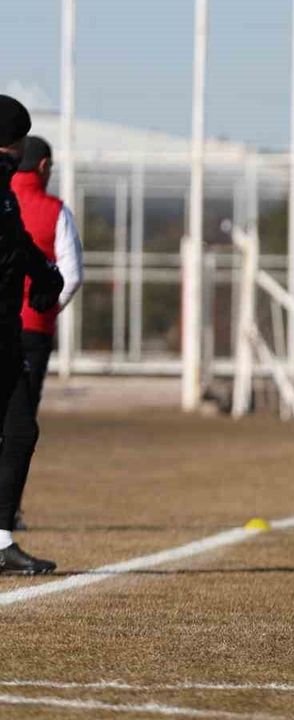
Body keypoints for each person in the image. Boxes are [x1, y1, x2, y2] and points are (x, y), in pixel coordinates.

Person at [4, 136, 84, 532]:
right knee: (19, 427)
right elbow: (71, 275)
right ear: (42, 166)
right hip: (31, 331)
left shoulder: (6, 199)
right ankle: (8, 516)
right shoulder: (54, 210)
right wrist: (48, 309)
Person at [0, 96, 64, 575]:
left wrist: (44, 273)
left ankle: (2, 541)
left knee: (20, 430)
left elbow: (16, 241)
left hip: (8, 334)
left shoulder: (5, 194)